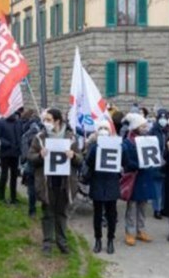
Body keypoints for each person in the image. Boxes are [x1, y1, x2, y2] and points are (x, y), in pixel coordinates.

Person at [27, 108, 83, 255]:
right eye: (44, 120)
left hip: (65, 183)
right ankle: (47, 243)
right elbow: (30, 157)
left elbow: (80, 159)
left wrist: (74, 156)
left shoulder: (71, 138)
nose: (45, 123)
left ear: (57, 121)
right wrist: (40, 155)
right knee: (47, 213)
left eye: (49, 120)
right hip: (47, 183)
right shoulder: (39, 138)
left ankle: (62, 242)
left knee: (62, 213)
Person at [84, 119, 120, 254]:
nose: (104, 131)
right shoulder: (94, 146)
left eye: (106, 128)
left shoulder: (116, 145)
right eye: (101, 128)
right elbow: (88, 161)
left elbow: (125, 161)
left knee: (111, 214)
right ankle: (98, 239)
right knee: (97, 214)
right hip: (98, 182)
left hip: (111, 183)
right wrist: (95, 146)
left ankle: (110, 239)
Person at [121, 113, 157, 246]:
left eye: (146, 125)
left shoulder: (148, 140)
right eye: (143, 125)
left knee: (143, 205)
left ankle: (141, 230)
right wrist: (138, 165)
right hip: (134, 176)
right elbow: (126, 161)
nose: (145, 128)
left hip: (145, 176)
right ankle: (129, 232)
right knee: (131, 206)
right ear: (136, 126)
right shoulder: (127, 142)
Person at [0, 108, 23, 204]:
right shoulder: (0, 122)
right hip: (5, 152)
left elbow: (21, 134)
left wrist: (19, 145)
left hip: (16, 153)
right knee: (4, 175)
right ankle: (1, 196)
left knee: (14, 175)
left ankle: (13, 197)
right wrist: (7, 143)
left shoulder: (18, 122)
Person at [149, 109, 169, 219]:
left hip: (167, 163)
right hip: (156, 163)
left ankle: (163, 207)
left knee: (165, 187)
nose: (163, 120)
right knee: (157, 187)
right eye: (161, 118)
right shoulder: (153, 131)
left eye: (165, 118)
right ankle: (157, 209)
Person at [20, 109, 42, 217]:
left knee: (33, 189)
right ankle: (32, 210)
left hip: (34, 165)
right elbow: (26, 152)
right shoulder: (33, 133)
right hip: (34, 165)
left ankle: (32, 210)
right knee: (33, 188)